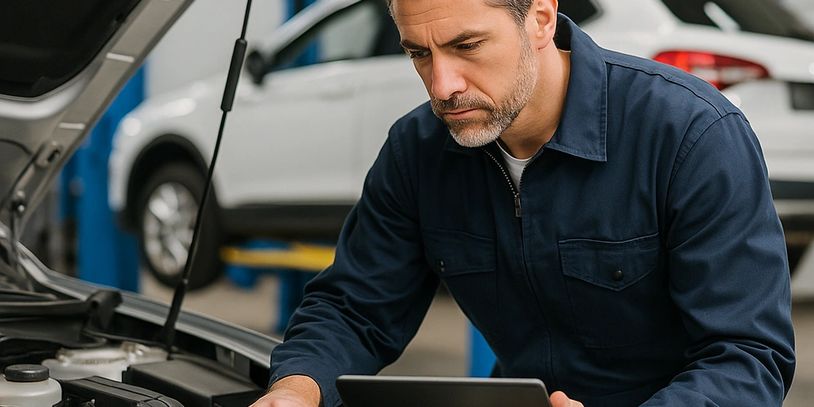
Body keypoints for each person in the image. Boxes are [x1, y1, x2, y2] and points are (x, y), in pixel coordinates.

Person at [252, 0, 796, 405]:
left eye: (466, 46)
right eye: (419, 53)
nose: (442, 86)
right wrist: (300, 386)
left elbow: (748, 357)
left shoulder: (689, 134)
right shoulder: (418, 151)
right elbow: (355, 307)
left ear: (540, 17)